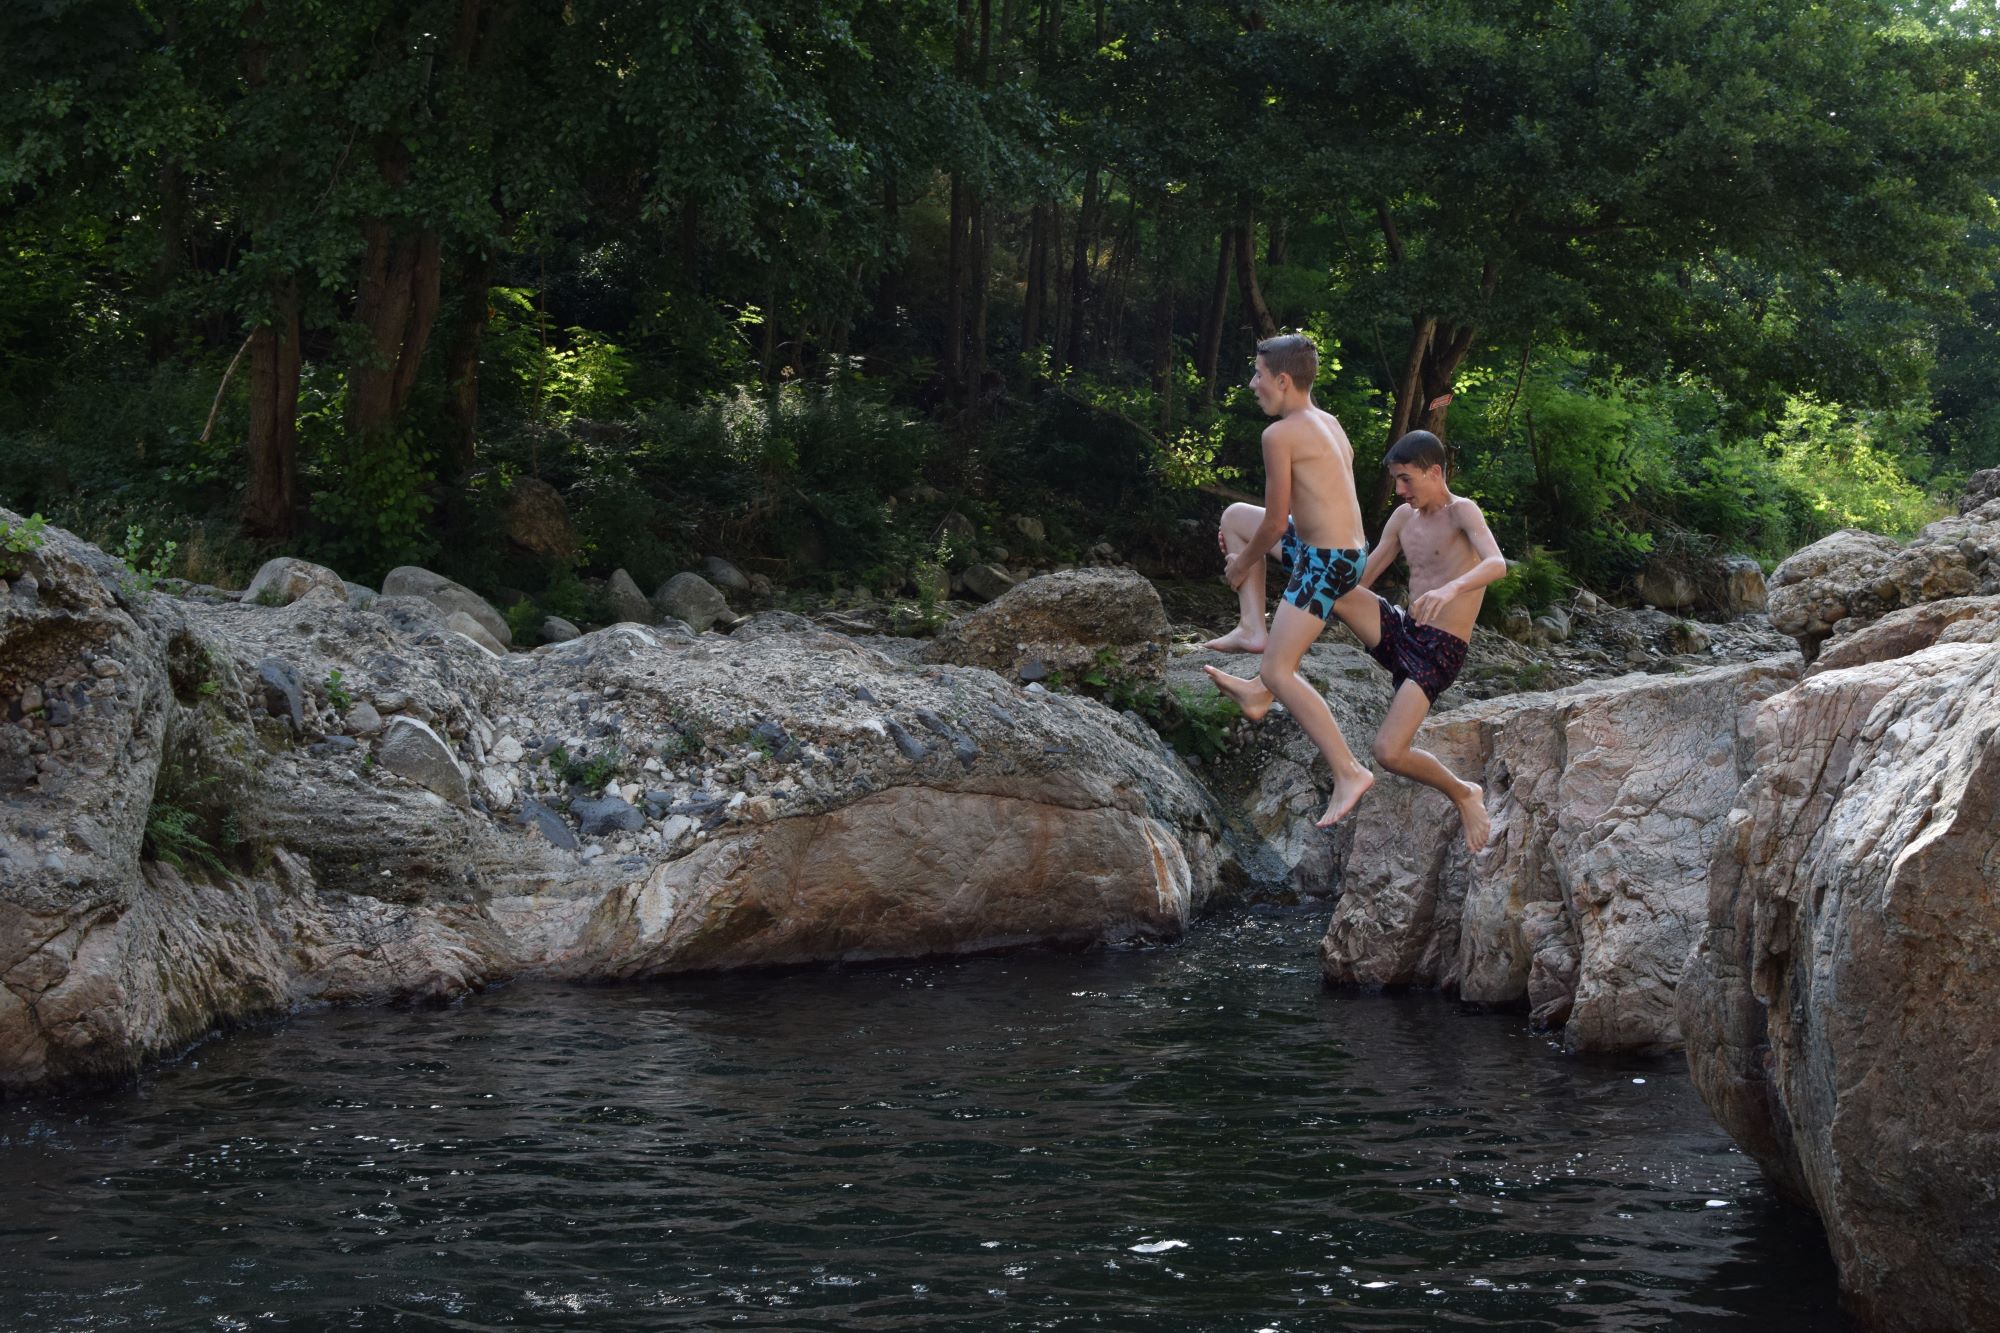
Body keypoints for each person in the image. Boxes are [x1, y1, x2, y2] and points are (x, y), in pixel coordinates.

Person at [1211, 428, 1505, 852]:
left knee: (1389, 752)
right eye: (1396, 481)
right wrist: (1259, 555)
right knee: (1331, 580)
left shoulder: (1463, 512)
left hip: (1438, 652)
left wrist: (1449, 590)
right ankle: (1263, 686)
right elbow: (1358, 576)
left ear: (1435, 471)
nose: (1400, 490)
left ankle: (1463, 792)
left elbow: (1496, 563)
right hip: (1402, 628)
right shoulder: (1404, 518)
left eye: (1407, 479)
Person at [1202, 334, 1376, 829]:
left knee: (1281, 672)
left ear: (1282, 380)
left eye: (1258, 375)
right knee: (1235, 515)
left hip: (1328, 563)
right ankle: (1252, 630)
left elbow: (1275, 525)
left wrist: (1240, 567)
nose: (1253, 384)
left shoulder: (1279, 436)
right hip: (1344, 551)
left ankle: (1349, 770)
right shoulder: (1329, 422)